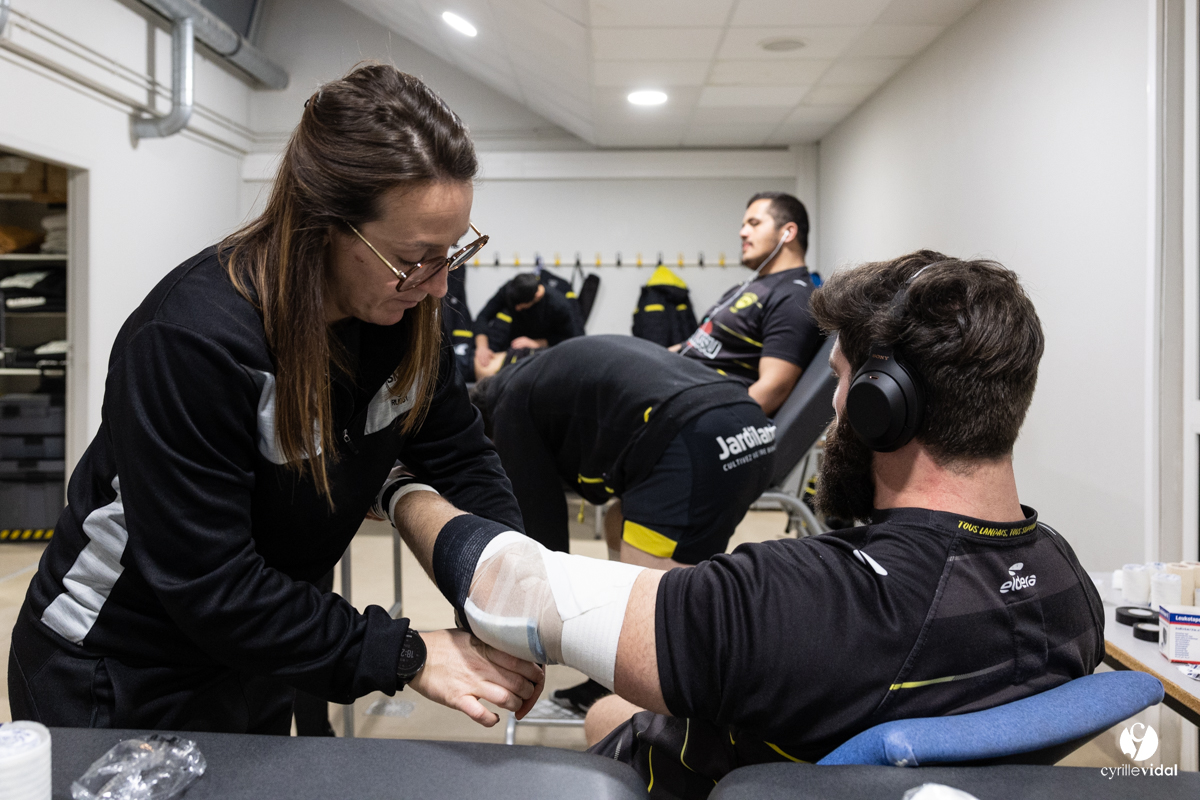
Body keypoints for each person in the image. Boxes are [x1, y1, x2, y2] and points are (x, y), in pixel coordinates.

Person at [389, 250, 1103, 799]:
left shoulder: (803, 603)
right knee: (612, 711)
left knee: (596, 725)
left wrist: (400, 490)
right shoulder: (1070, 585)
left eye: (844, 380)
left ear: (887, 405)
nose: (833, 414)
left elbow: (512, 591)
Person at [7, 66, 544, 733]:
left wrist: (504, 594)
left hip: (272, 642)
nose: (437, 288)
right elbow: (211, 582)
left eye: (453, 252)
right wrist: (403, 654)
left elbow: (461, 461)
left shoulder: (402, 315)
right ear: (327, 226)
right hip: (122, 665)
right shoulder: (192, 341)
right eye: (416, 258)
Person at [471, 334, 776, 711]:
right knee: (621, 522)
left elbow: (542, 541)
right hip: (750, 424)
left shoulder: (511, 410)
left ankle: (662, 723)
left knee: (652, 624)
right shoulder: (539, 374)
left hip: (695, 440)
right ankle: (618, 683)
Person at [675, 192, 823, 415]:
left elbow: (773, 388)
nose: (742, 233)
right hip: (674, 384)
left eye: (754, 224)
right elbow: (694, 344)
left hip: (695, 410)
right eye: (744, 225)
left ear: (788, 232)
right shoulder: (748, 286)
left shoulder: (794, 297)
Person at [473, 273, 583, 378]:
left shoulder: (559, 305)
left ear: (537, 296)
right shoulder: (509, 290)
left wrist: (538, 343)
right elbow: (483, 317)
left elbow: (571, 339)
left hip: (546, 354)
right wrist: (482, 347)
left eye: (521, 306)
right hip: (515, 348)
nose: (517, 309)